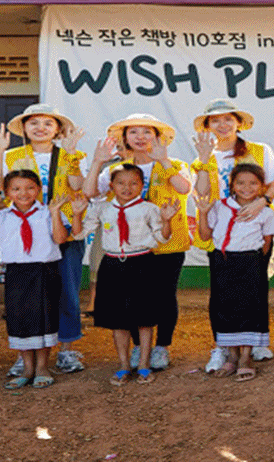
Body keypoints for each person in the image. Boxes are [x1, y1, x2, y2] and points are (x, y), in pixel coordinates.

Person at [0, 104, 88, 376]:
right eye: (34, 123)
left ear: (57, 129)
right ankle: (26, 352)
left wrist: (73, 154)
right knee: (26, 297)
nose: (40, 128)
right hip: (24, 232)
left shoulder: (71, 154)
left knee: (67, 292)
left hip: (62, 228)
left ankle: (66, 350)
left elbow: (78, 186)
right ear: (24, 128)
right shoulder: (12, 155)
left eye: (47, 123)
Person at [83, 113, 191, 372]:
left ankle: (161, 346)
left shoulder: (173, 163)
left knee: (164, 296)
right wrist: (98, 162)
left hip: (167, 243)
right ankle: (136, 348)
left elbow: (184, 188)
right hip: (130, 248)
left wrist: (163, 160)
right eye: (134, 132)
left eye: (147, 132)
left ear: (157, 137)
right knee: (129, 297)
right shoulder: (116, 169)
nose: (140, 138)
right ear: (125, 138)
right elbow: (89, 192)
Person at [191, 99, 274, 366]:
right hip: (222, 234)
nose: (222, 124)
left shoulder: (259, 150)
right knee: (221, 293)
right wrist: (204, 161)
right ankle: (221, 345)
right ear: (207, 126)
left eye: (228, 119)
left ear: (238, 123)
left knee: (256, 288)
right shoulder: (204, 155)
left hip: (255, 230)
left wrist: (260, 203)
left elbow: (272, 186)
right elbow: (202, 192)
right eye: (215, 120)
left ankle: (258, 341)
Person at [71, 163, 177, 385]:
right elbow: (80, 234)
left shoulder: (149, 209)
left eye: (133, 183)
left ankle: (144, 365)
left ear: (142, 185)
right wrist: (77, 214)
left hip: (143, 264)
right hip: (112, 265)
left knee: (144, 318)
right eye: (120, 183)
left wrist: (167, 220)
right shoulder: (102, 209)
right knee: (118, 320)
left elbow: (163, 238)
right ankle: (123, 365)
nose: (127, 188)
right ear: (111, 186)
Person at [0, 171, 70, 390]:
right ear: (7, 193)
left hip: (45, 271)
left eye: (29, 188)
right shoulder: (1, 217)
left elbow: (61, 239)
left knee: (45, 317)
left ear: (38, 190)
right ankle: (27, 368)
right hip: (16, 273)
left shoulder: (48, 212)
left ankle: (43, 367)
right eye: (16, 189)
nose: (23, 193)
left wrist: (55, 213)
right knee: (19, 318)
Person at [195, 163, 274, 382]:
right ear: (231, 185)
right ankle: (232, 356)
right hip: (224, 261)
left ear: (261, 187)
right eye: (240, 183)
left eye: (253, 183)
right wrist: (203, 213)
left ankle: (246, 357)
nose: (246, 188)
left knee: (251, 306)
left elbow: (267, 242)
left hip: (250, 262)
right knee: (225, 306)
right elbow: (204, 236)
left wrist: (253, 262)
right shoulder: (219, 207)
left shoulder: (265, 213)